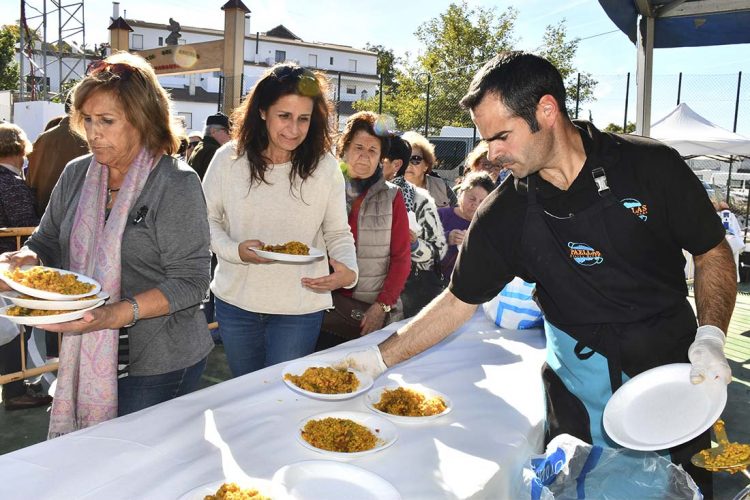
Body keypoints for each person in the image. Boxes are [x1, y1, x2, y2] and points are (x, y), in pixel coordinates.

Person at [335, 52, 735, 497]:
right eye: (487, 139)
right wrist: (377, 360)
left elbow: (711, 250)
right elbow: (456, 302)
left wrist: (713, 336)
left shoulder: (650, 165)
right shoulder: (506, 212)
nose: (492, 153)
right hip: (579, 395)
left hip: (672, 377)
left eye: (502, 136)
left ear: (546, 111)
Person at [0, 51, 214, 435]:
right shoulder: (77, 173)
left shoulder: (175, 182)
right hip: (84, 349)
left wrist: (113, 314)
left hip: (159, 361)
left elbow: (192, 280)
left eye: (107, 121)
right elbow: (45, 239)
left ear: (142, 120)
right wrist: (26, 261)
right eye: (88, 120)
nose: (93, 132)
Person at [203, 62, 358, 377]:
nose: (294, 129)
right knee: (246, 392)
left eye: (304, 119)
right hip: (236, 304)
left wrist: (347, 271)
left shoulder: (325, 167)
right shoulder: (228, 159)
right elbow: (204, 222)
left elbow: (338, 233)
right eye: (284, 116)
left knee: (282, 394)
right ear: (262, 111)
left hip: (300, 308)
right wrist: (235, 250)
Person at [317, 112, 411, 348]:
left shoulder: (393, 196)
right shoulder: (321, 189)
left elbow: (401, 258)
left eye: (373, 151)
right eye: (358, 147)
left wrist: (382, 306)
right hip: (321, 308)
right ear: (344, 149)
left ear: (381, 158)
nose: (364, 156)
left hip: (369, 314)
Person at [0, 123, 51, 411]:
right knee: (14, 328)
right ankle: (15, 389)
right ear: (20, 149)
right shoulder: (12, 184)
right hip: (11, 269)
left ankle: (15, 382)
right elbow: (27, 226)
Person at [384, 134, 447, 318]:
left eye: (416, 159)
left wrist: (415, 245)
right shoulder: (355, 192)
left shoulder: (422, 198)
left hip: (411, 288)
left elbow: (437, 250)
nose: (408, 165)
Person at [26, 95, 89, 215]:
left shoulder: (44, 138)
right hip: (74, 216)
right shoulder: (86, 137)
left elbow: (31, 178)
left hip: (43, 213)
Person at [439, 171, 494, 280]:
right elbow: (417, 244)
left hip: (468, 285)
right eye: (472, 198)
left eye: (482, 201)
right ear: (460, 194)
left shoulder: (489, 225)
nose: (475, 204)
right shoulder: (440, 215)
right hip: (433, 282)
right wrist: (446, 238)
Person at [401, 131, 457, 208]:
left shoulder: (441, 186)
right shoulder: (389, 190)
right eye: (404, 159)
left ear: (426, 165)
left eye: (415, 159)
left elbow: (458, 214)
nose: (408, 165)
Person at [188, 112, 231, 179]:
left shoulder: (201, 146)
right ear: (213, 131)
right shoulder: (213, 150)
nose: (230, 135)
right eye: (227, 131)